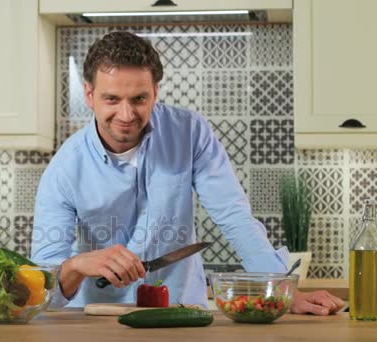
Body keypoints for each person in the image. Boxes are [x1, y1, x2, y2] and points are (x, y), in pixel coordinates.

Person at [31, 31, 344, 315]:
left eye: (139, 99)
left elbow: (233, 216)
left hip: (181, 312)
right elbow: (42, 289)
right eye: (111, 99)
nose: (126, 115)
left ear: (155, 91)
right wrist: (76, 265)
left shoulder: (190, 132)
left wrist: (282, 293)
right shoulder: (64, 169)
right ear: (89, 95)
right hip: (97, 318)